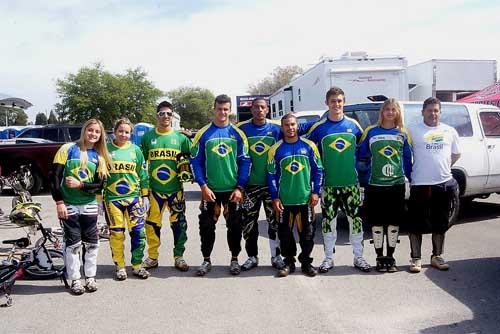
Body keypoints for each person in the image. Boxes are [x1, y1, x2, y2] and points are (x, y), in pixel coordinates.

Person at [306, 87, 371, 273]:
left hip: (351, 185)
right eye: (333, 101)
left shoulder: (354, 126)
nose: (337, 104)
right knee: (328, 222)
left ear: (344, 102)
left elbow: (364, 151)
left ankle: (359, 257)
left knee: (355, 221)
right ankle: (328, 258)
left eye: (340, 101)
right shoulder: (319, 129)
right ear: (327, 103)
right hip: (329, 186)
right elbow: (311, 155)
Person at [190, 94, 251, 276]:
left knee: (235, 227)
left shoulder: (238, 134)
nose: (222, 112)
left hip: (233, 192)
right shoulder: (203, 134)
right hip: (211, 191)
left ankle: (234, 259)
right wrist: (203, 186)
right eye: (219, 109)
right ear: (213, 109)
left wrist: (240, 188)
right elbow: (195, 162)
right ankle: (206, 260)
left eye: (226, 109)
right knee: (207, 227)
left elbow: (245, 162)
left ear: (230, 110)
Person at [49, 119, 111, 295]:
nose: (93, 134)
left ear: (101, 135)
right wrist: (59, 202)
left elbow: (99, 187)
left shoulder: (99, 156)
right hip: (69, 205)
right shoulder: (67, 149)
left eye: (97, 132)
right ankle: (75, 279)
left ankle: (90, 277)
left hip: (89, 206)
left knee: (92, 244)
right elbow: (54, 176)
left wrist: (80, 185)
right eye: (90, 130)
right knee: (73, 244)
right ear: (84, 130)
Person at [358, 98, 413, 272]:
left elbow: (408, 159)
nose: (390, 112)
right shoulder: (371, 132)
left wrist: (410, 178)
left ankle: (390, 257)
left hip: (396, 185)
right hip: (375, 185)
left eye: (393, 109)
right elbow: (361, 155)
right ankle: (379, 257)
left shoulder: (403, 133)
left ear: (397, 113)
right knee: (377, 222)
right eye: (387, 109)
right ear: (382, 112)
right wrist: (365, 173)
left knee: (393, 222)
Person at [407, 97, 461, 273]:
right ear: (423, 112)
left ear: (440, 112)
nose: (433, 113)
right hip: (419, 184)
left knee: (441, 222)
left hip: (443, 183)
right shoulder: (413, 130)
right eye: (429, 110)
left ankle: (437, 256)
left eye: (436, 110)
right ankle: (416, 258)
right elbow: (405, 155)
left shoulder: (449, 131)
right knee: (416, 222)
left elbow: (456, 154)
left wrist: (442, 168)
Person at [268, 113, 323, 277]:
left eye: (293, 125)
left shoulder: (309, 146)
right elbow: (271, 175)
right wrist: (275, 197)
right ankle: (289, 262)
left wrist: (316, 192)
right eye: (287, 125)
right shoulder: (275, 149)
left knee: (308, 235)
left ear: (297, 126)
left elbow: (318, 170)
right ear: (282, 127)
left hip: (305, 199)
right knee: (285, 234)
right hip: (284, 201)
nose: (290, 128)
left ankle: (306, 262)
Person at [141, 101, 192, 271]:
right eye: (162, 113)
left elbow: (193, 158)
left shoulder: (181, 138)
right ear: (157, 115)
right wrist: (143, 190)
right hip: (155, 190)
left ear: (173, 116)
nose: (165, 117)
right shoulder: (148, 138)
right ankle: (152, 257)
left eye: (168, 114)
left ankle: (179, 257)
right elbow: (141, 165)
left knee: (179, 225)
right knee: (151, 224)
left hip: (175, 189)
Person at [236, 98, 284, 271]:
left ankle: (276, 255)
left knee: (275, 222)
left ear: (268, 110)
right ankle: (252, 257)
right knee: (249, 223)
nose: (259, 110)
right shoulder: (242, 129)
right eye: (255, 107)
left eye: (262, 107)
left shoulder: (276, 129)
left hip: (272, 187)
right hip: (250, 187)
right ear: (251, 110)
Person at [103, 118, 150, 280]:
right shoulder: (105, 150)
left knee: (138, 232)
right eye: (121, 131)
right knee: (117, 233)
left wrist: (145, 196)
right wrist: (97, 198)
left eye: (127, 132)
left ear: (131, 134)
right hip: (112, 199)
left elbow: (143, 175)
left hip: (134, 198)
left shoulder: (136, 151)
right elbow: (99, 176)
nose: (124, 134)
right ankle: (120, 266)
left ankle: (137, 265)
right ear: (114, 132)